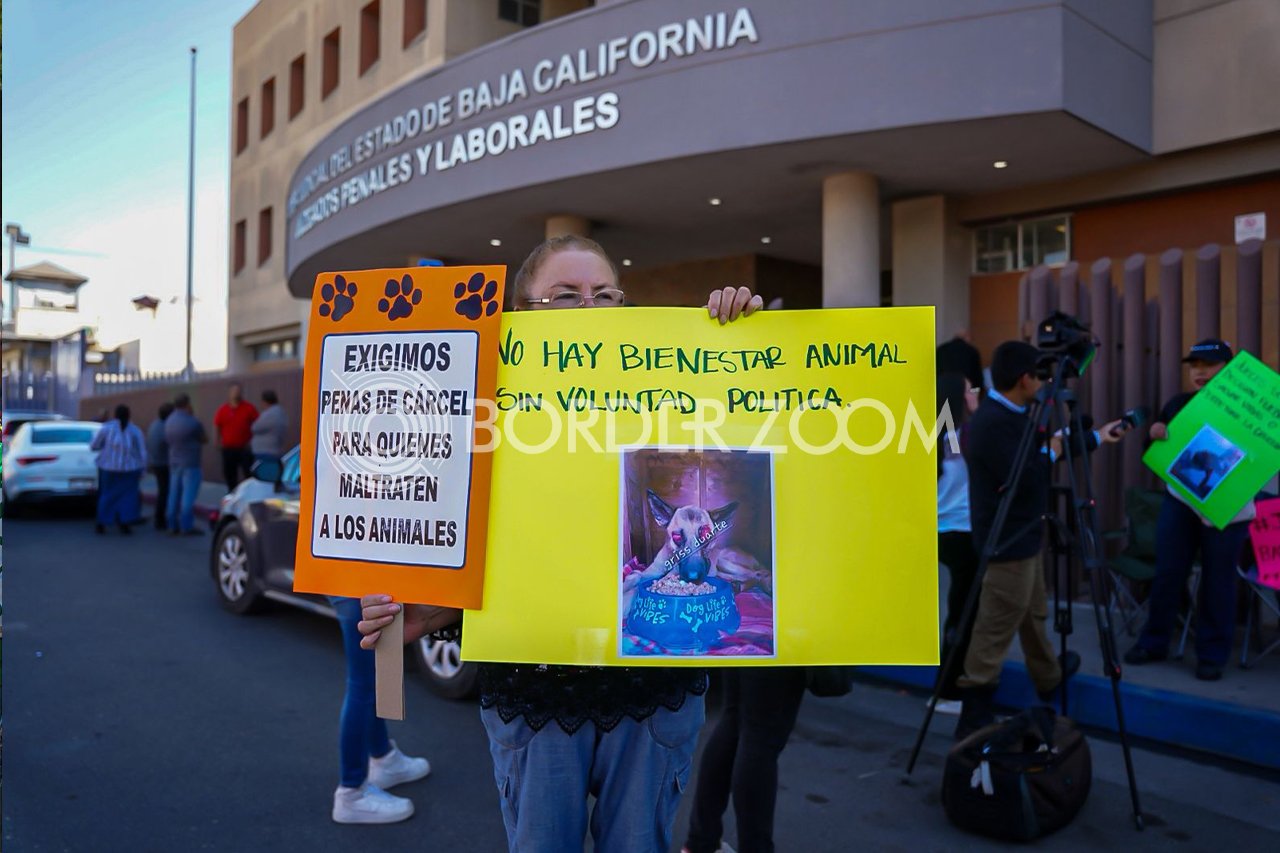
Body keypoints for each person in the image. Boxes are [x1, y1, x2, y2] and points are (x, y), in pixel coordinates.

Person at [359, 235, 762, 853]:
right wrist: (432, 611)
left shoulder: (674, 388)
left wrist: (741, 342)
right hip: (535, 695)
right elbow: (481, 544)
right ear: (522, 313)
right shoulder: (478, 410)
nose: (589, 308)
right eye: (566, 295)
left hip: (652, 697)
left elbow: (757, 428)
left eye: (605, 294)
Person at [954, 341, 1124, 739]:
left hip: (1023, 535)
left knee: (1032, 613)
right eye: (1040, 375)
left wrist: (1096, 438)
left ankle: (1048, 676)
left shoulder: (1012, 414)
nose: (1045, 383)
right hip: (1006, 542)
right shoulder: (993, 422)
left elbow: (1038, 450)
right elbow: (1025, 476)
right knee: (995, 628)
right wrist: (1053, 448)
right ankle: (974, 713)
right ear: (1023, 379)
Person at [1124, 339, 1256, 681]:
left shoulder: (1249, 409)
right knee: (1168, 573)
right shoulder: (1178, 404)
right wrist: (1154, 435)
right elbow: (1154, 453)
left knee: (1219, 581)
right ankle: (1153, 642)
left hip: (1229, 508)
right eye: (1194, 365)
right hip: (1180, 502)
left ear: (1229, 369)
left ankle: (1212, 655)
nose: (1199, 371)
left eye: (1208, 364)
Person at [681, 667, 808, 853]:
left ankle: (701, 842)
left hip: (743, 649)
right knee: (761, 734)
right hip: (781, 653)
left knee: (734, 716)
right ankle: (752, 848)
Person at [328, 596, 431, 824]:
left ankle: (384, 758)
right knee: (363, 683)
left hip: (350, 581)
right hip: (355, 581)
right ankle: (351, 793)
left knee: (367, 680)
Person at [934, 372, 980, 715]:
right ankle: (948, 690)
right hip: (964, 532)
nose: (975, 392)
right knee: (964, 613)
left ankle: (947, 688)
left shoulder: (930, 434)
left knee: (957, 611)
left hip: (938, 529)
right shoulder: (966, 436)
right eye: (970, 389)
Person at [90, 404, 147, 535]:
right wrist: (143, 469)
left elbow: (94, 445)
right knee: (127, 498)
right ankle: (124, 523)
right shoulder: (135, 431)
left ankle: (102, 522)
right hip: (130, 470)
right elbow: (142, 452)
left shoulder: (106, 428)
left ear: (115, 415)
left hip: (108, 468)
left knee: (107, 496)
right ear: (129, 415)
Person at [165, 393, 208, 536]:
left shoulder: (169, 421)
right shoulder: (193, 422)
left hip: (174, 462)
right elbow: (204, 439)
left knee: (173, 495)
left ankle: (172, 524)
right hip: (190, 463)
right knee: (188, 497)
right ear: (188, 404)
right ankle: (186, 526)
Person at [213, 383, 258, 489]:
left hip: (244, 448)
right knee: (229, 474)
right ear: (229, 393)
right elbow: (217, 425)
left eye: (238, 391)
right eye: (233, 391)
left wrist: (253, 441)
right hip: (228, 448)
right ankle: (232, 492)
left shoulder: (249, 408)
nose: (236, 393)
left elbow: (258, 424)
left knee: (248, 473)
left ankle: (249, 492)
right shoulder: (223, 409)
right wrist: (217, 441)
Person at [147, 402, 174, 531]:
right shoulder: (165, 428)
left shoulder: (155, 425)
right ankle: (160, 519)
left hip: (156, 462)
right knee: (164, 491)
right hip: (163, 464)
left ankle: (160, 517)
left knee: (163, 490)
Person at [250, 389, 288, 469]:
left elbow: (255, 427)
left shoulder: (270, 413)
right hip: (272, 451)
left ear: (265, 401)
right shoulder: (279, 412)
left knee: (265, 473)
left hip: (266, 452)